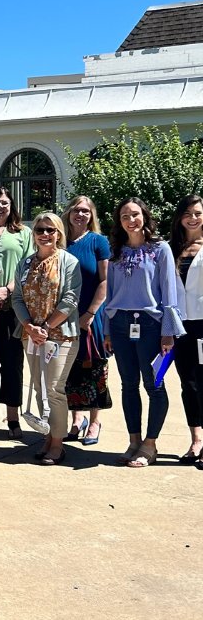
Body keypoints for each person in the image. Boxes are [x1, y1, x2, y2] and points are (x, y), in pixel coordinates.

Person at [104, 197, 185, 468]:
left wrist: (168, 331)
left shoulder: (160, 249)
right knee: (129, 385)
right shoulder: (116, 251)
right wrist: (107, 330)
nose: (131, 220)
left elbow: (169, 291)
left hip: (152, 325)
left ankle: (150, 445)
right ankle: (134, 440)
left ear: (144, 216)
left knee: (155, 384)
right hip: (120, 324)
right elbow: (110, 294)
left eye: (135, 214)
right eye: (125, 216)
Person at [10, 213, 82, 465]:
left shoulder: (68, 261)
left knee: (54, 389)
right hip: (31, 336)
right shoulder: (25, 263)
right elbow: (17, 298)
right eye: (40, 229)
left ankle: (58, 444)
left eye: (50, 230)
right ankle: (47, 435)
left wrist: (46, 327)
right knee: (40, 388)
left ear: (59, 233)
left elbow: (71, 299)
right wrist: (30, 327)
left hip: (60, 336)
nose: (45, 234)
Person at [0, 186, 33, 439]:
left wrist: (8, 290)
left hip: (14, 309)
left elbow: (29, 267)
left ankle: (13, 419)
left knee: (13, 364)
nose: (1, 207)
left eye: (5, 203)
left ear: (12, 207)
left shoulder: (23, 234)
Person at [62, 195, 112, 446]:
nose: (80, 215)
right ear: (68, 213)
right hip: (63, 316)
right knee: (68, 368)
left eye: (85, 211)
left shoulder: (98, 242)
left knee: (93, 368)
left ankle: (94, 421)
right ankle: (77, 418)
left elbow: (105, 280)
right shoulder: (60, 241)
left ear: (92, 215)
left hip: (91, 316)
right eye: (76, 210)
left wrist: (90, 313)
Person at [170, 195, 203, 467]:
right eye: (187, 213)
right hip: (181, 324)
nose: (193, 218)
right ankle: (196, 439)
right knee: (188, 383)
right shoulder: (173, 248)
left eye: (198, 213)